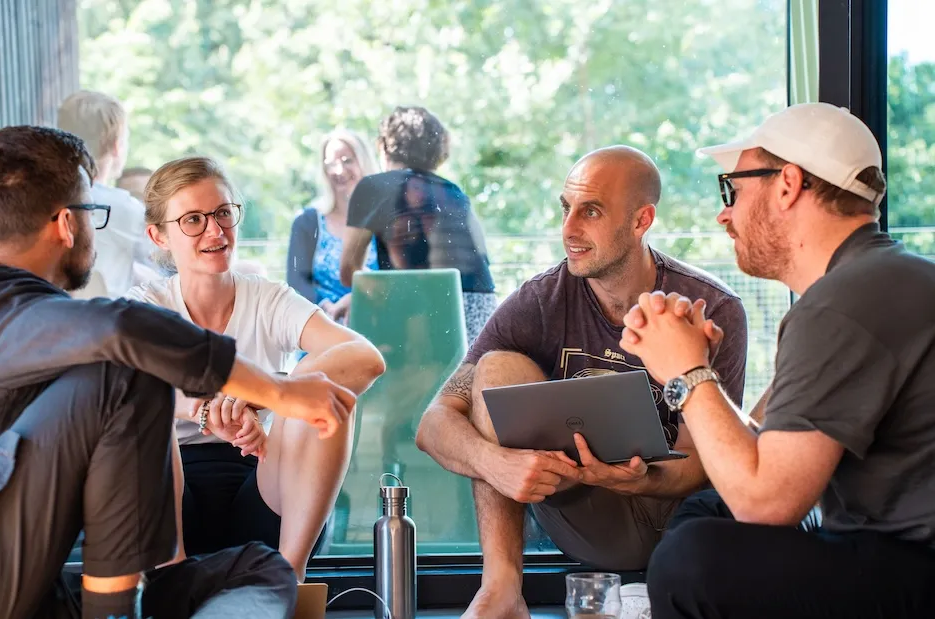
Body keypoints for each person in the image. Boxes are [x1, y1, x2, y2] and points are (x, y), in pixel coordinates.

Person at [0, 126, 356, 619]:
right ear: (67, 224)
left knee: (260, 570)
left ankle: (152, 597)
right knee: (127, 374)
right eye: (95, 214)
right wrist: (279, 392)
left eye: (222, 215)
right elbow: (124, 329)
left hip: (9, 569)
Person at [627, 103, 935, 618]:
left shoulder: (842, 304)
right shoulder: (882, 278)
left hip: (914, 567)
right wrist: (693, 364)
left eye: (734, 189)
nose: (724, 213)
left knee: (691, 562)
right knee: (706, 510)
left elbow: (766, 503)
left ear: (788, 184)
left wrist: (688, 373)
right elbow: (771, 453)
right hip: (899, 554)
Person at [415, 146, 749, 619]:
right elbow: (433, 424)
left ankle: (657, 595)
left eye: (590, 211)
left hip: (679, 524)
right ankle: (502, 592)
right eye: (565, 209)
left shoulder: (712, 307)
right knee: (497, 369)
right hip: (587, 515)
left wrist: (639, 479)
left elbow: (706, 465)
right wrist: (495, 463)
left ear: (641, 221)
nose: (568, 229)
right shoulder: (538, 302)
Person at [128, 156, 386, 581]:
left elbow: (365, 359)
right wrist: (205, 409)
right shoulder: (147, 306)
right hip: (169, 501)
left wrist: (267, 391)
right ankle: (169, 586)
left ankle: (291, 580)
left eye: (223, 213)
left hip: (266, 489)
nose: (215, 231)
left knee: (326, 397)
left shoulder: (268, 299)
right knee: (134, 412)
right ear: (158, 235)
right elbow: (120, 391)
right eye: (193, 219)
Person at [340, 106, 496, 343]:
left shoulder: (372, 187)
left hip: (424, 315)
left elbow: (348, 270)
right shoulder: (453, 191)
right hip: (482, 314)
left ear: (382, 146)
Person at [58, 91, 158, 297]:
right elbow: (169, 265)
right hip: (108, 324)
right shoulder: (124, 209)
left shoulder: (38, 197)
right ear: (116, 146)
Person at [288, 130, 380, 323]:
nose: (338, 170)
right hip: (323, 326)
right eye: (330, 163)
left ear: (365, 163)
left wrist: (359, 300)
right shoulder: (307, 221)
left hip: (377, 325)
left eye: (347, 161)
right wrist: (325, 306)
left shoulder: (385, 219)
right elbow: (296, 282)